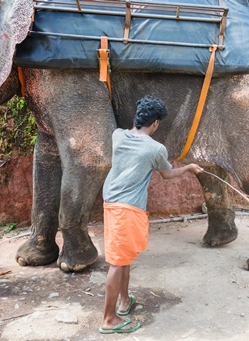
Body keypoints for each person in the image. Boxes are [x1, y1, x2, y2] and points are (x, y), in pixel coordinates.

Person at [99, 95, 203, 334]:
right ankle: (108, 319)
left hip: (112, 201)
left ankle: (124, 302)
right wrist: (188, 167)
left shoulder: (118, 136)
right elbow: (167, 175)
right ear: (155, 123)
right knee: (117, 262)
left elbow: (129, 131)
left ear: (137, 117)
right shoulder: (156, 148)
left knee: (123, 256)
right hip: (127, 207)